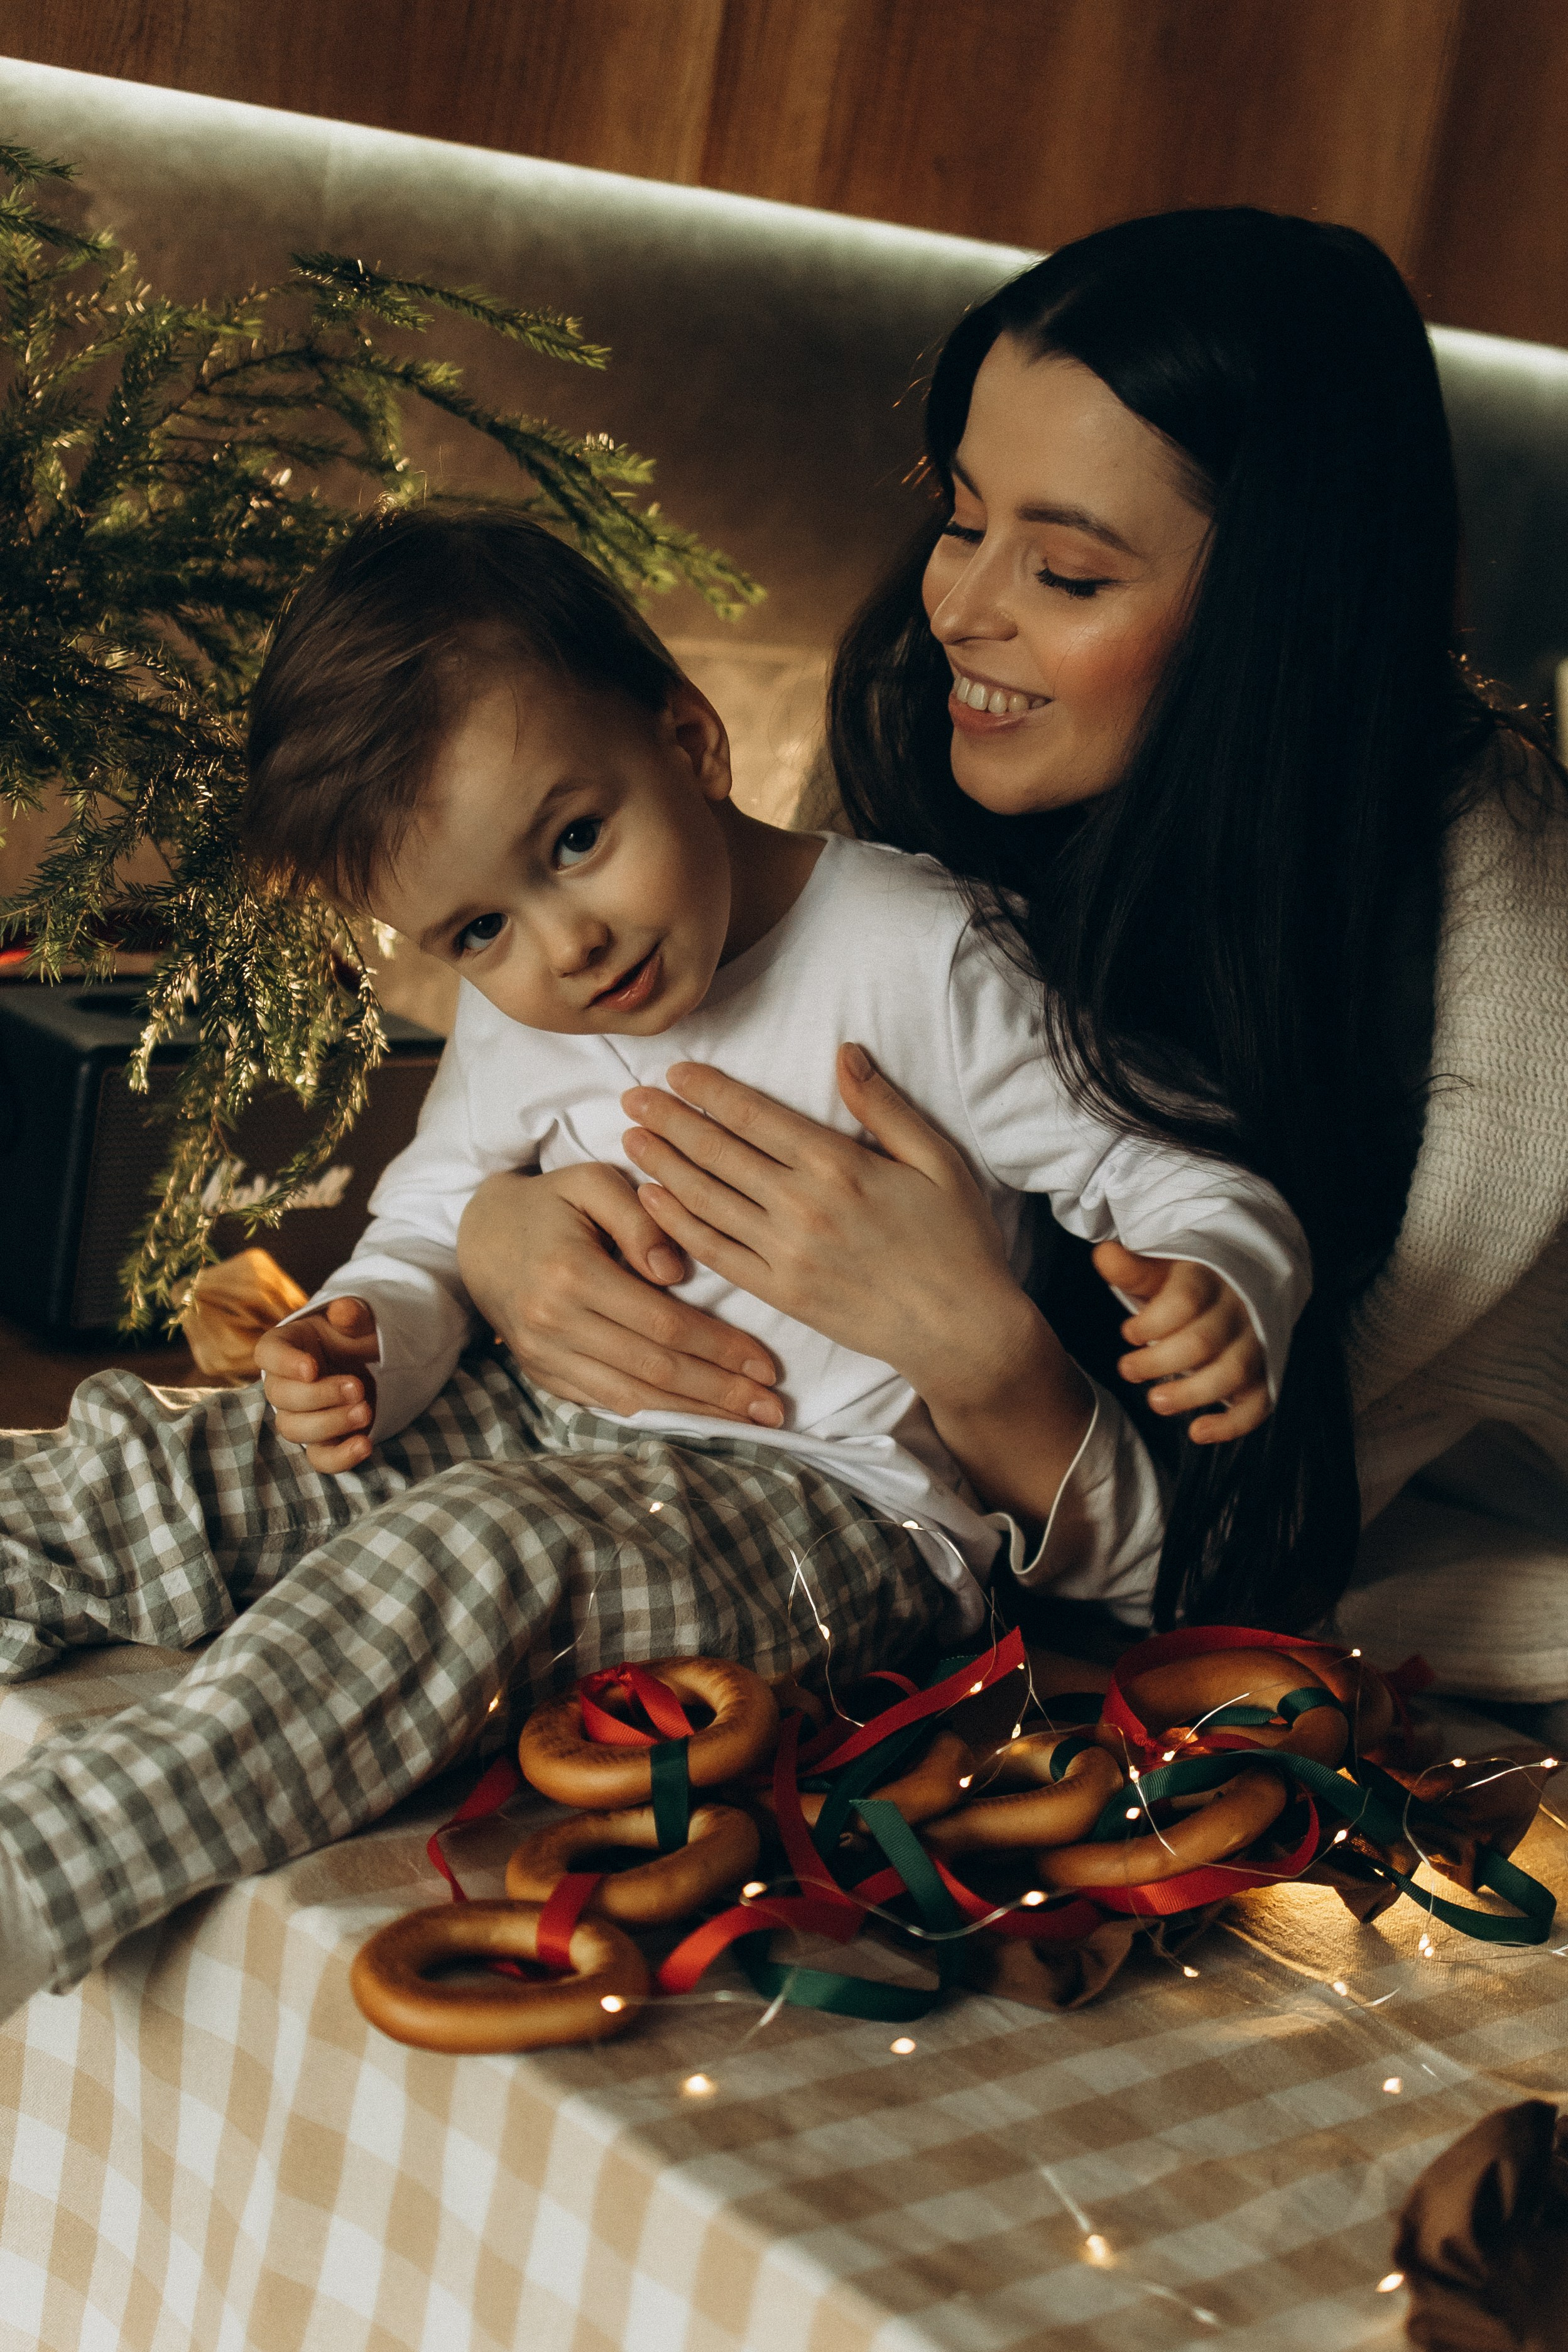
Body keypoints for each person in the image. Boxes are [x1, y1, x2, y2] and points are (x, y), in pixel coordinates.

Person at [0, 502, 1307, 2020]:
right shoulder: (529, 1004)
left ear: (689, 741)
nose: (562, 945)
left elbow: (1173, 1171)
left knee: (470, 1559)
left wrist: (1222, 1281)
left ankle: (44, 1874)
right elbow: (431, 1222)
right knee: (174, 1459)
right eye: (478, 930)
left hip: (834, 1507)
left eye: (576, 842)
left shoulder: (925, 956)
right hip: (549, 1417)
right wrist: (367, 1330)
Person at [453, 207, 1568, 1692]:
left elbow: (1236, 1583)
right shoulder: (916, 776)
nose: (960, 609)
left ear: (1278, 616)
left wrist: (980, 1361)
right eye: (964, 519)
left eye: (1070, 576)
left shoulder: (1493, 998)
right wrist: (498, 1237)